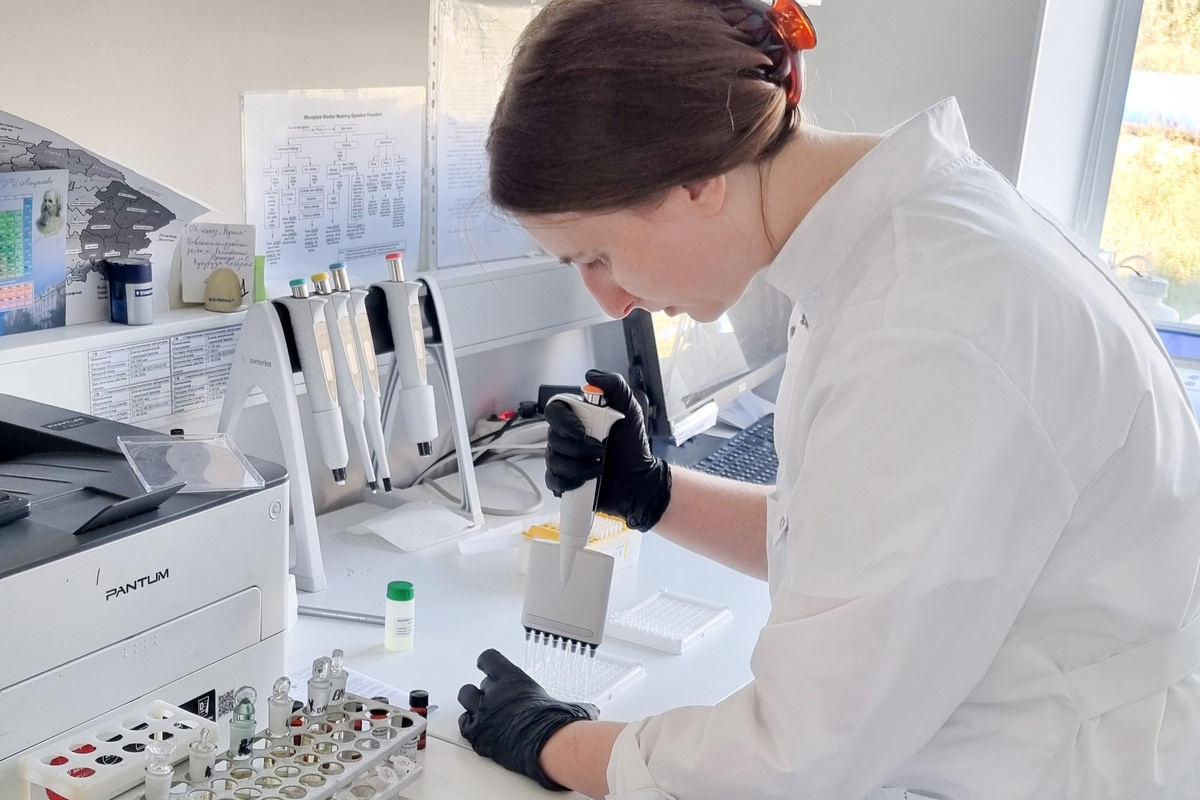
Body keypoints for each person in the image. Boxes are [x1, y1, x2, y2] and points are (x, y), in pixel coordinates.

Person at [456, 1, 1200, 797]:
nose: (609, 301)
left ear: (696, 182)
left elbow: (797, 756)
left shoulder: (922, 327)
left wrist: (555, 742)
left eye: (597, 255)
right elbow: (847, 544)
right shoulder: (895, 248)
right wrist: (652, 494)